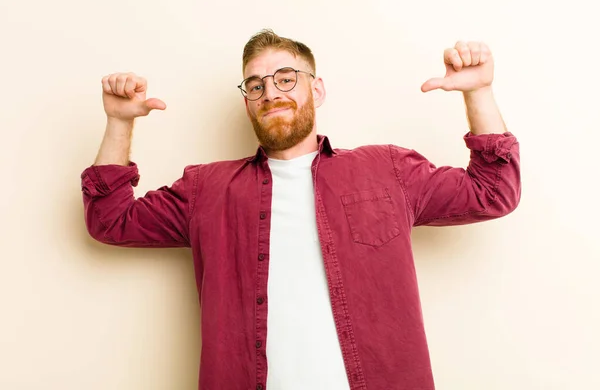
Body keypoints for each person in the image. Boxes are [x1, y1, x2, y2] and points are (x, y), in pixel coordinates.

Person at [81, 29, 521, 390]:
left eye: (286, 77)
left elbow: (493, 191)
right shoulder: (207, 189)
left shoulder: (387, 169)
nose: (271, 92)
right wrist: (119, 122)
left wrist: (478, 92)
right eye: (256, 85)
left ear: (318, 88)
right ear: (248, 101)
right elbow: (110, 219)